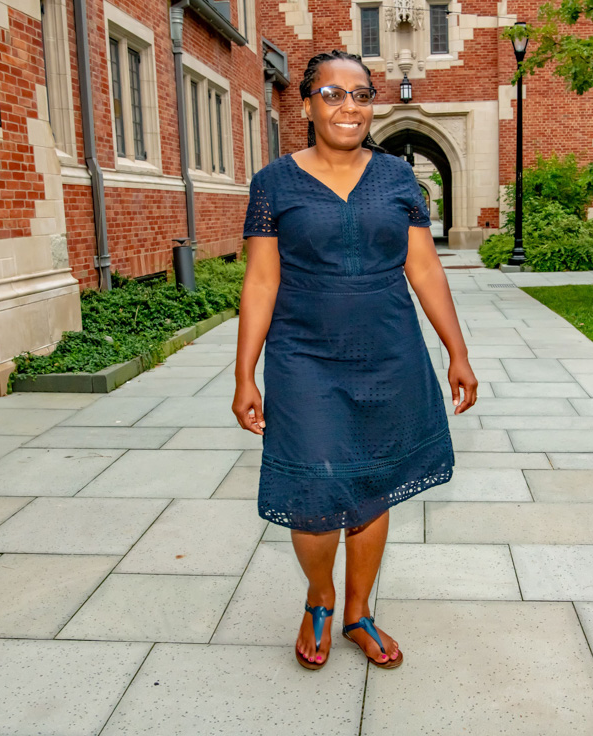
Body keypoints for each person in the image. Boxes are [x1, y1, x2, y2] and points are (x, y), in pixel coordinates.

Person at [233, 49, 477, 672]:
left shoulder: (398, 180)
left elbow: (423, 268)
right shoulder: (274, 184)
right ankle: (320, 596)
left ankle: (358, 611)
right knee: (313, 491)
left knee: (372, 488)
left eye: (361, 95)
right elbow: (261, 282)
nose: (349, 106)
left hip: (388, 352)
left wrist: (457, 351)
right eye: (333, 94)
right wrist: (244, 371)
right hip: (304, 355)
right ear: (309, 104)